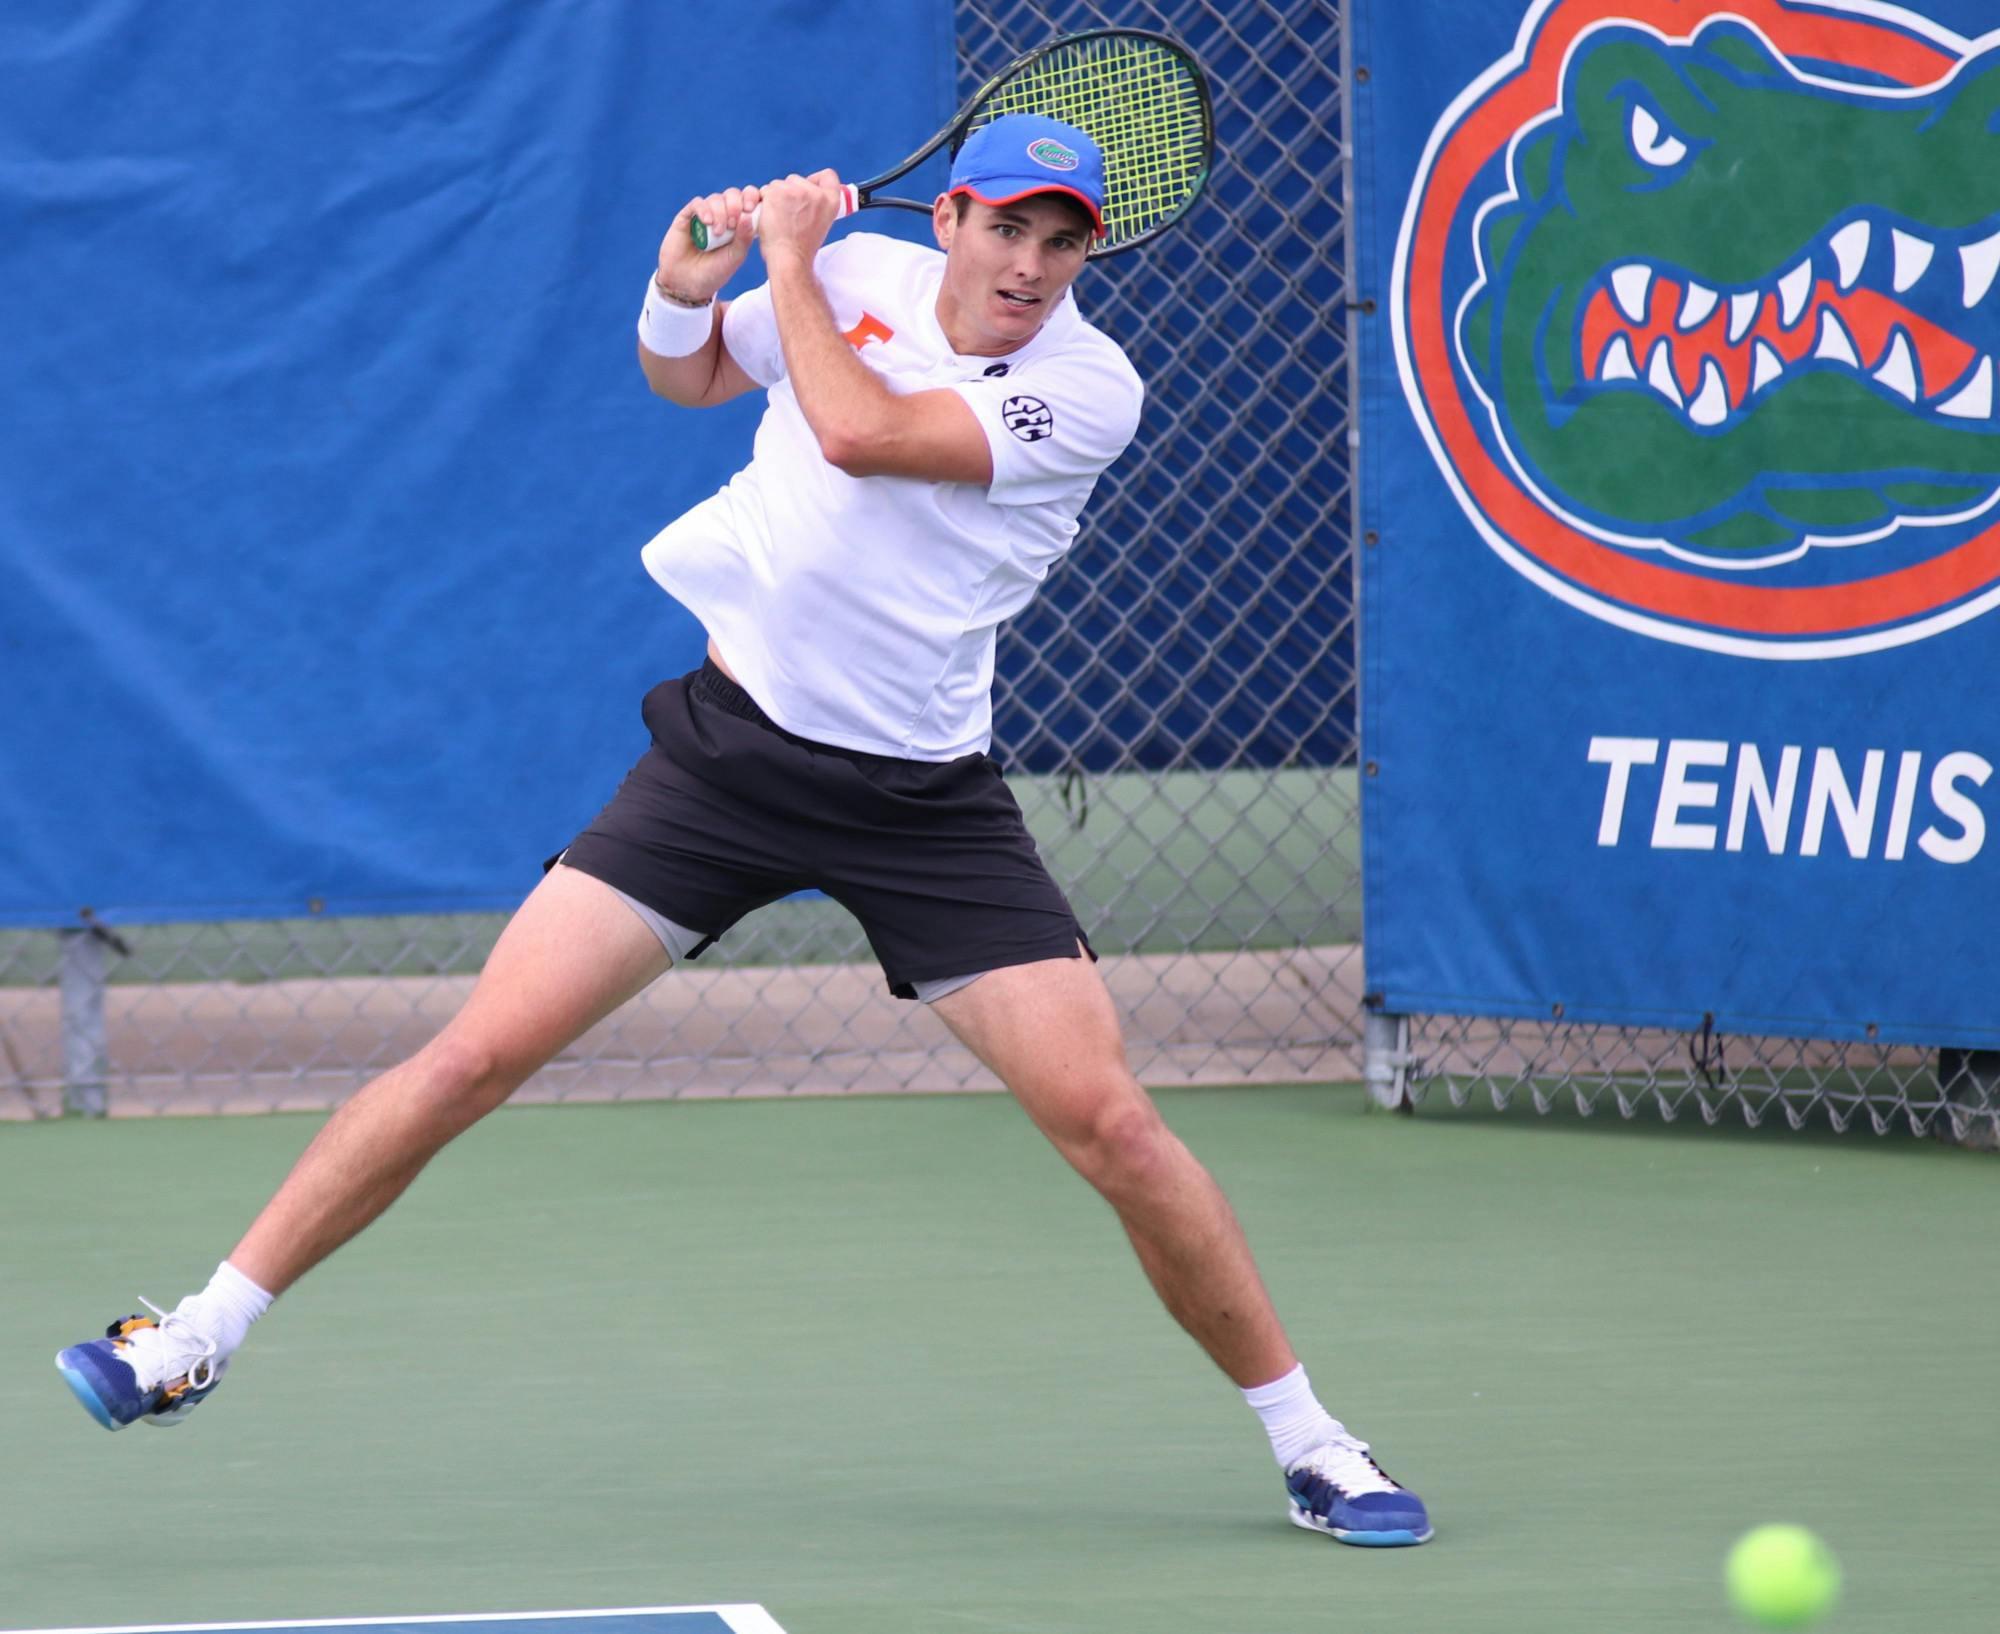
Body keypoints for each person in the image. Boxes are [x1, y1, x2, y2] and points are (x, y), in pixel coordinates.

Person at [53, 115, 1431, 1548]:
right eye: (1007, 227)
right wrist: (685, 280)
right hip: (729, 758)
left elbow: (861, 431)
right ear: (951, 216)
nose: (1030, 264)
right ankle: (194, 1332)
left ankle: (1312, 1441)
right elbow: (688, 375)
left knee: (1116, 1129)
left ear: (1091, 252)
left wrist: (786, 257)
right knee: (474, 1052)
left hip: (922, 801)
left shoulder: (1090, 388)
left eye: (1063, 239)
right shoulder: (856, 275)